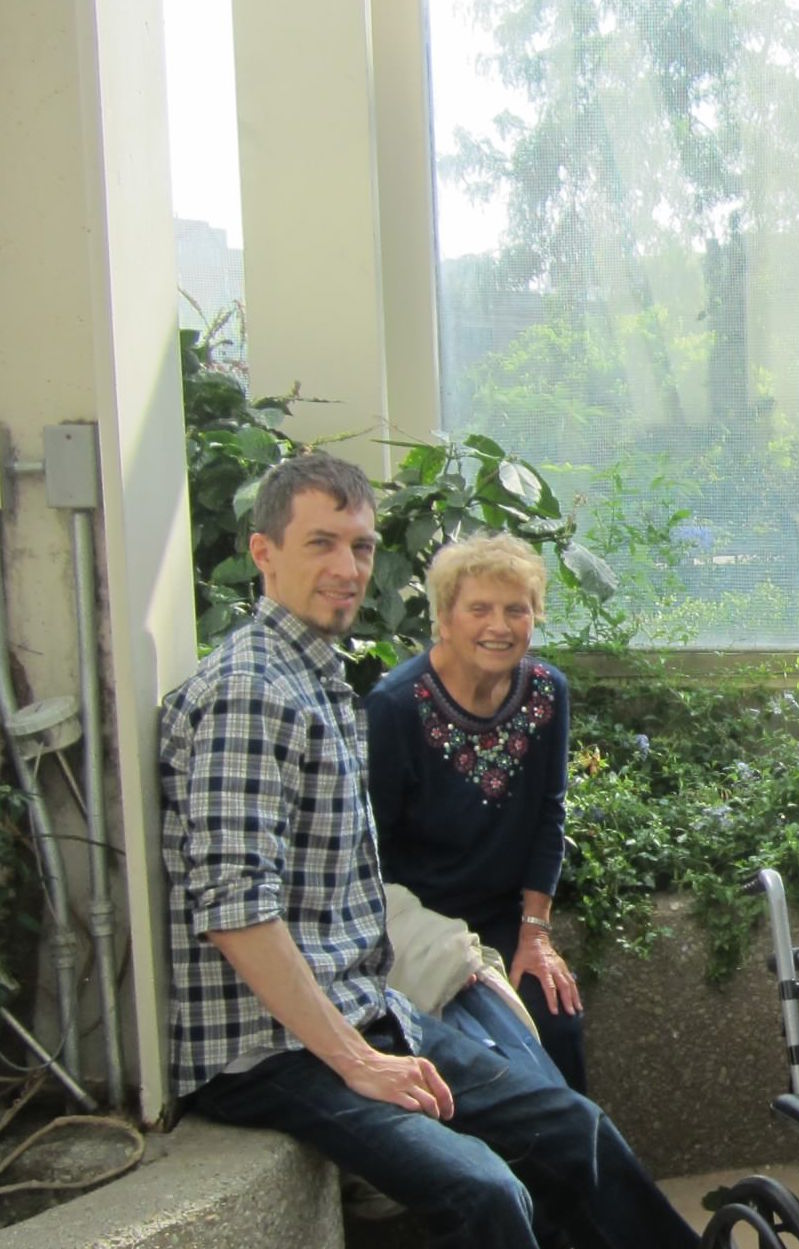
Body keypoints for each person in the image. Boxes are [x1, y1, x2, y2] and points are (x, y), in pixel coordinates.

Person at [158, 452, 695, 1249]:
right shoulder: (252, 691)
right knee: (486, 1192)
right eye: (321, 543)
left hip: (365, 1005)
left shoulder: (315, 678)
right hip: (267, 1049)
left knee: (572, 1126)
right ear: (262, 551)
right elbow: (235, 908)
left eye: (361, 546)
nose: (348, 568)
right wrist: (356, 1058)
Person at [366, 534, 587, 1091]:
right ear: (444, 619)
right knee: (475, 1052)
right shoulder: (394, 707)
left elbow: (549, 815)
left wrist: (535, 934)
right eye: (479, 609)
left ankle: (570, 1149)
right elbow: (370, 849)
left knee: (557, 1021)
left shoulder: (546, 692)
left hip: (505, 921)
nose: (499, 626)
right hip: (418, 925)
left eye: (516, 610)